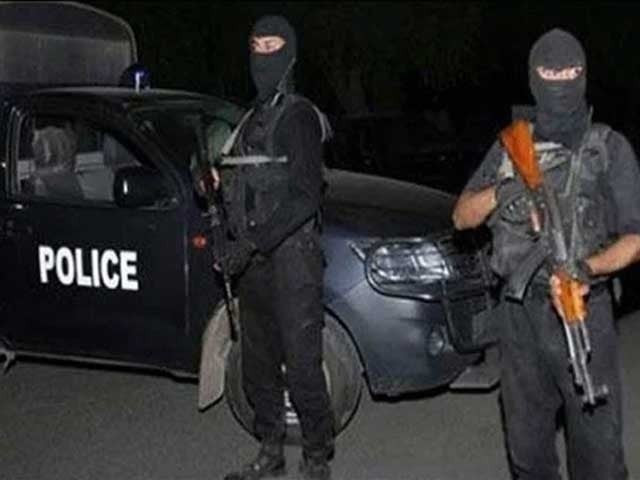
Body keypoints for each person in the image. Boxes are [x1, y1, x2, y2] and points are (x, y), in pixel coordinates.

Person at [452, 28, 640, 480]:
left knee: (599, 456)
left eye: (569, 71)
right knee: (527, 451)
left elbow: (635, 238)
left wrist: (586, 269)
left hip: (583, 308)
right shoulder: (511, 146)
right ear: (534, 78)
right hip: (519, 316)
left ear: (583, 75)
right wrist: (506, 190)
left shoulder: (608, 149)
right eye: (550, 73)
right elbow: (461, 216)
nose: (560, 81)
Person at [215, 15, 334, 480]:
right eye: (256, 45)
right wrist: (213, 182)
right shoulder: (251, 117)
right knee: (257, 366)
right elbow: (243, 178)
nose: (263, 56)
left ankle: (316, 457)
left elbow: (306, 196)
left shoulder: (298, 116)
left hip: (292, 259)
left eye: (273, 46)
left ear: (290, 55)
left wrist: (252, 243)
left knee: (302, 367)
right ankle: (271, 452)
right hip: (255, 263)